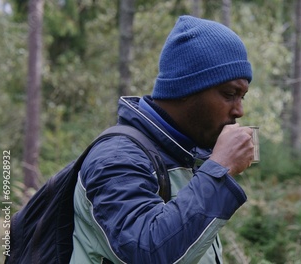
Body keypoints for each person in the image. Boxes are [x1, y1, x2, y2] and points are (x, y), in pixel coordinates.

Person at [70, 15, 255, 264]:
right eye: (230, 94)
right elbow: (148, 252)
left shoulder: (186, 154)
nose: (239, 110)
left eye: (242, 96)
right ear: (185, 89)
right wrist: (218, 170)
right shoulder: (116, 157)